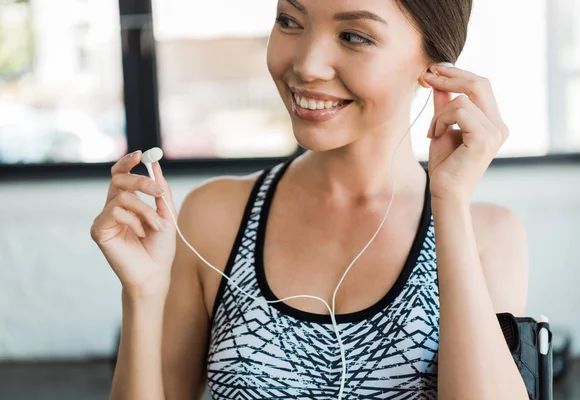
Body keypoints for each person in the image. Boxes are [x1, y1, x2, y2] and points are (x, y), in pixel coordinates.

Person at [90, 0, 530, 398]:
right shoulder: (215, 216)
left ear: (434, 64)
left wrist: (449, 203)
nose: (307, 65)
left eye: (354, 36)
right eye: (289, 21)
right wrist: (143, 295)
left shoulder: (486, 236)